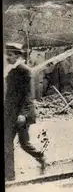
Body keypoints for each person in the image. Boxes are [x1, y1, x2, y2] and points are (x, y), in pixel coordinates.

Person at [4, 43, 46, 181]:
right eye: (7, 54)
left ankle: (40, 156)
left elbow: (28, 95)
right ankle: (9, 175)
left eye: (10, 55)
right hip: (10, 113)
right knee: (7, 142)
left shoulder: (24, 70)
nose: (7, 57)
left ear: (17, 55)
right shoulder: (11, 70)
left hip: (22, 114)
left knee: (24, 143)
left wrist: (23, 114)